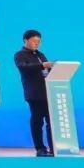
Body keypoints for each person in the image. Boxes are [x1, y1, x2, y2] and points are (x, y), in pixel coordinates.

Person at [14, 29, 55, 157]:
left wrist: (53, 67)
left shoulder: (41, 54)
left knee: (51, 121)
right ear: (25, 40)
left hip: (48, 92)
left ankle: (54, 148)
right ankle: (40, 148)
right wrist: (43, 65)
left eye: (39, 41)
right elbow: (23, 67)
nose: (37, 43)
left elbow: (47, 69)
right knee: (37, 121)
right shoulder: (20, 54)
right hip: (34, 93)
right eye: (34, 41)